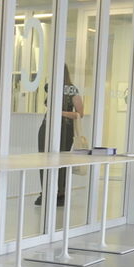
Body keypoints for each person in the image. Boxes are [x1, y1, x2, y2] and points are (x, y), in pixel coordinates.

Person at [36, 65, 84, 206]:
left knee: (61, 160)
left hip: (64, 128)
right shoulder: (50, 87)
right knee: (43, 159)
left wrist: (60, 112)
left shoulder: (72, 90)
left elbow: (79, 113)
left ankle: (60, 192)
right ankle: (45, 191)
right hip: (47, 126)